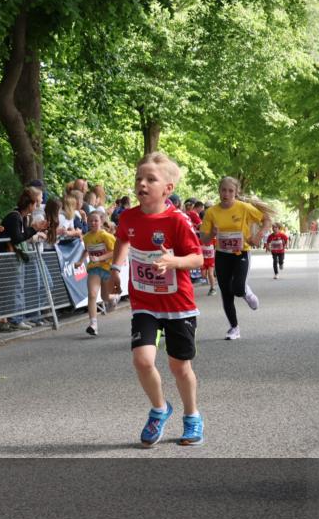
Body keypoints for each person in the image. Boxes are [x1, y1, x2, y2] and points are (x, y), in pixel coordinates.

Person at [109, 152, 205, 447]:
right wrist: (116, 268)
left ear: (168, 189)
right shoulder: (128, 217)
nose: (142, 183)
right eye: (139, 178)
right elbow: (123, 239)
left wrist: (174, 262)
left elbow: (198, 258)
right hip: (145, 303)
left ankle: (192, 417)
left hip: (178, 305)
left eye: (151, 179)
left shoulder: (178, 221)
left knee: (179, 367)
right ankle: (159, 409)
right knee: (142, 359)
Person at [199, 176, 272, 340]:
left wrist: (258, 236)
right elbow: (203, 239)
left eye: (230, 191)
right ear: (219, 191)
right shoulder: (211, 212)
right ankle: (234, 328)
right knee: (226, 293)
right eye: (223, 190)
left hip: (241, 253)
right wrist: (212, 234)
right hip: (222, 255)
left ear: (236, 192)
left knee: (238, 288)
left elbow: (267, 220)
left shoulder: (244, 208)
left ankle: (247, 292)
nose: (226, 194)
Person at [0, 186, 46, 332]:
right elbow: (17, 238)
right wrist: (34, 229)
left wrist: (33, 229)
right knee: (9, 289)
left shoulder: (20, 217)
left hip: (8, 258)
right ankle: (9, 319)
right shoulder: (15, 217)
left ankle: (6, 319)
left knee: (9, 289)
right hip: (4, 259)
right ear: (30, 204)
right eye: (35, 204)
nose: (37, 206)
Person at [78, 210, 116, 336]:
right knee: (92, 294)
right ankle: (93, 325)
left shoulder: (106, 236)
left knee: (105, 297)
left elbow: (114, 252)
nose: (93, 223)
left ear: (101, 222)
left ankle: (113, 298)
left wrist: (99, 258)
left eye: (96, 220)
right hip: (94, 268)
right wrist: (80, 261)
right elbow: (86, 250)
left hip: (107, 268)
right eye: (90, 221)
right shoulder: (87, 237)